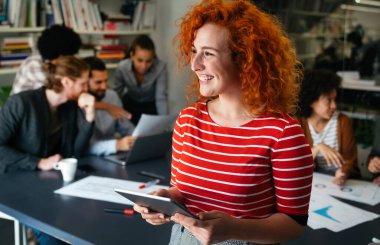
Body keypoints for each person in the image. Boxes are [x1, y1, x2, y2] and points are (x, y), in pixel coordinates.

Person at [134, 1, 314, 244]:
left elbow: (293, 224)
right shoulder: (188, 120)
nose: (195, 64)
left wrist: (234, 230)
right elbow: (182, 190)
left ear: (244, 59)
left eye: (208, 53)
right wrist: (166, 199)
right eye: (194, 51)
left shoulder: (283, 133)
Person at [0, 56, 95, 244]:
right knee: (55, 232)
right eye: (83, 84)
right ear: (66, 81)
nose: (86, 89)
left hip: (47, 182)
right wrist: (38, 162)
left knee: (85, 221)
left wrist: (89, 117)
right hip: (16, 180)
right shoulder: (21, 102)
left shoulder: (68, 107)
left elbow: (76, 153)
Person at [11, 24, 131, 120]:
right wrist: (107, 106)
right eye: (71, 55)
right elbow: (69, 97)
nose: (73, 58)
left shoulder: (53, 63)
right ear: (61, 55)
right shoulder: (35, 65)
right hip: (22, 118)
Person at [297, 69, 360, 186]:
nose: (334, 106)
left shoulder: (343, 121)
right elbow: (296, 162)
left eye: (334, 99)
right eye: (328, 100)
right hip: (315, 183)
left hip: (339, 182)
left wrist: (343, 173)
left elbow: (350, 159)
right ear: (311, 101)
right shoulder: (299, 123)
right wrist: (317, 148)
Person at [83, 56, 135, 156]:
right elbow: (86, 146)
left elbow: (126, 127)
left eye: (106, 81)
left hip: (114, 155)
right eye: (98, 82)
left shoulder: (112, 96)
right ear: (86, 82)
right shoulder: (79, 105)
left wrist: (136, 137)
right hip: (91, 158)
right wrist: (117, 145)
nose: (104, 87)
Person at [114, 34, 168, 125]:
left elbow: (161, 98)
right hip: (129, 104)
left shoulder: (161, 67)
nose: (144, 66)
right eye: (140, 60)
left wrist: (165, 124)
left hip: (150, 106)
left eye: (148, 61)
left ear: (153, 58)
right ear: (132, 56)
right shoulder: (122, 67)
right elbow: (116, 94)